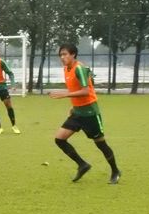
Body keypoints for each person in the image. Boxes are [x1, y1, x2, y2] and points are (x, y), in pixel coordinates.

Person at [49, 43, 121, 184]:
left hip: (90, 113)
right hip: (77, 112)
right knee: (59, 139)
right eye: (60, 55)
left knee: (100, 144)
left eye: (65, 54)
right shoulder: (66, 69)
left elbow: (85, 91)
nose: (62, 57)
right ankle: (82, 165)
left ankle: (115, 171)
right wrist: (73, 106)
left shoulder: (79, 69)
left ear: (73, 54)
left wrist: (64, 95)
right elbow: (76, 89)